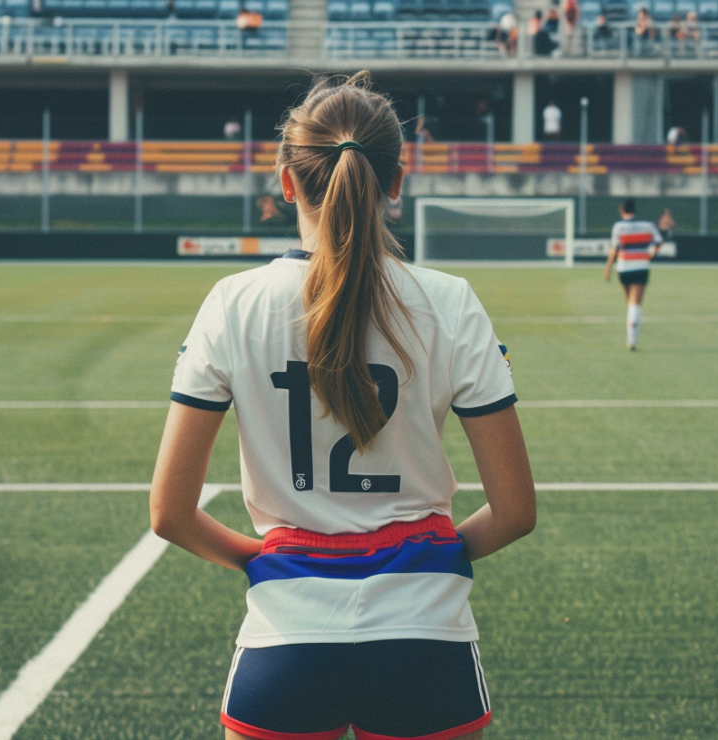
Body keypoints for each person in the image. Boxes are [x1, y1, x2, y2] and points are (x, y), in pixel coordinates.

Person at [150, 72, 536, 740]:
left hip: (285, 636)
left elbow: (169, 514)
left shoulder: (232, 302)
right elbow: (516, 512)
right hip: (427, 639)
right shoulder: (451, 301)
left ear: (287, 181)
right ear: (397, 180)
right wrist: (427, 553)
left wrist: (266, 559)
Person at [603, 197, 663, 350]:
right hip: (641, 267)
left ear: (621, 210)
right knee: (635, 303)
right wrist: (651, 255)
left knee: (630, 302)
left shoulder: (618, 227)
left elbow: (614, 249)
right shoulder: (647, 226)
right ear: (635, 210)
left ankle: (632, 334)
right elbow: (659, 241)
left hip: (623, 268)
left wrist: (608, 269)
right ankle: (632, 340)